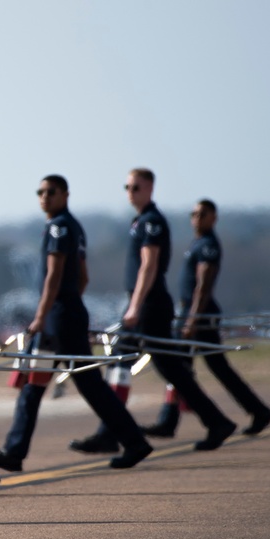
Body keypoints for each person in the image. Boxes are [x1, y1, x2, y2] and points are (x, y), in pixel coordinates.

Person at [0, 176, 153, 471]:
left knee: (88, 383)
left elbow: (54, 274)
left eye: (51, 192)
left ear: (65, 194)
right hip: (62, 315)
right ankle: (14, 451)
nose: (44, 197)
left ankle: (134, 441)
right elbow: (83, 277)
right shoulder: (72, 226)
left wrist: (42, 315)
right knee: (35, 386)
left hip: (57, 320)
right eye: (40, 192)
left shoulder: (58, 226)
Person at [69, 169, 237, 455]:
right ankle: (214, 421)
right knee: (143, 363)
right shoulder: (142, 221)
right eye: (127, 187)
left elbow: (150, 265)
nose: (130, 192)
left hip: (149, 305)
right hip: (144, 303)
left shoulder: (151, 222)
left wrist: (134, 305)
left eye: (136, 187)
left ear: (149, 188)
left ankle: (112, 432)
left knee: (141, 362)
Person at [140, 199, 270, 437]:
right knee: (182, 367)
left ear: (213, 218)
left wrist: (192, 319)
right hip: (190, 314)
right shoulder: (198, 243)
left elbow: (204, 286)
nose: (196, 218)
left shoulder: (208, 245)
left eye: (202, 214)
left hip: (200, 316)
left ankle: (253, 411)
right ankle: (169, 419)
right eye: (193, 214)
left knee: (201, 367)